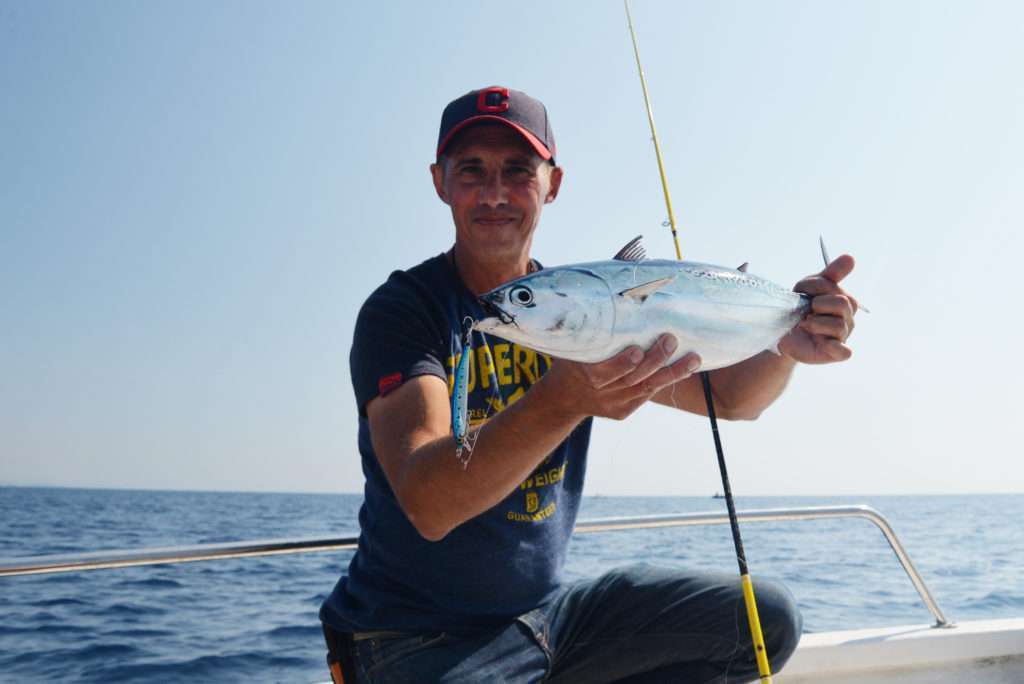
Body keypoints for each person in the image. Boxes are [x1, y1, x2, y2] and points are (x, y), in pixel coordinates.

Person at [320, 86, 858, 683]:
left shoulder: (585, 306)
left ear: (553, 183)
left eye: (519, 171)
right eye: (471, 170)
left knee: (766, 618)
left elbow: (730, 398)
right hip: (414, 636)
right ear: (439, 182)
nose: (495, 193)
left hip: (547, 619)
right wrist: (564, 399)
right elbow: (428, 503)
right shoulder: (405, 312)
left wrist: (785, 341)